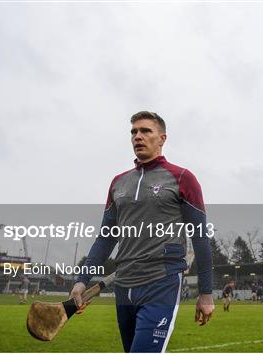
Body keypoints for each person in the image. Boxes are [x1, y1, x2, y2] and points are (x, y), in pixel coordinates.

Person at [69, 111, 214, 353]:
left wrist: (206, 293)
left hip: (162, 281)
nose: (138, 136)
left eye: (145, 131)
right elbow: (105, 238)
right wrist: (82, 280)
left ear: (162, 138)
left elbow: (200, 238)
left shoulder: (182, 178)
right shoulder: (118, 183)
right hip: (124, 286)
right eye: (134, 132)